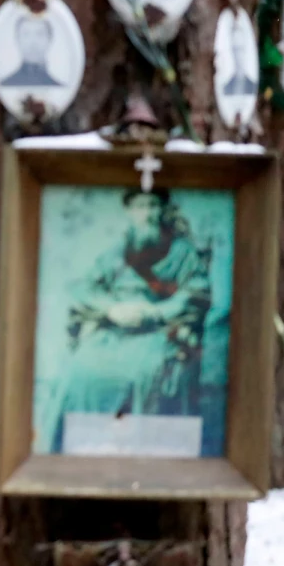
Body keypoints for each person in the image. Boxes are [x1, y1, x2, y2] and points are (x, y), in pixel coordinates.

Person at [44, 188, 212, 454]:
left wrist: (154, 311)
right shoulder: (115, 254)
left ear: (163, 210)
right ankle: (75, 450)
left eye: (154, 206)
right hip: (115, 328)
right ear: (129, 211)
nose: (148, 214)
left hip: (159, 329)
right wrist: (112, 309)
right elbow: (87, 288)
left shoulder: (183, 252)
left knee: (147, 372)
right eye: (141, 206)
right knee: (78, 369)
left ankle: (141, 451)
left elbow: (196, 292)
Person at [0, 16, 63, 88]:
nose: (33, 42)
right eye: (26, 34)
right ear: (17, 39)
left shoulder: (58, 87)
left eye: (39, 34)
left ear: (49, 39)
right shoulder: (7, 85)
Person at [222, 18, 257, 96]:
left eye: (241, 49)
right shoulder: (226, 88)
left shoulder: (252, 86)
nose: (238, 55)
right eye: (235, 49)